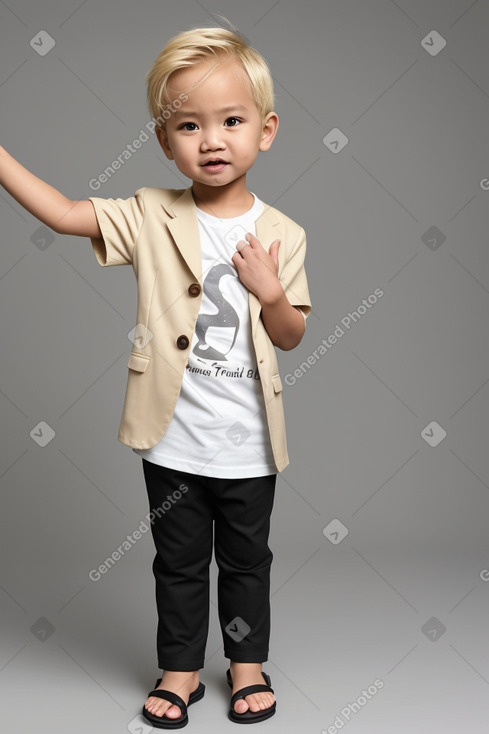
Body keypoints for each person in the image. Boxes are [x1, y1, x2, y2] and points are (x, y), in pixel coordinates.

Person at [0, 24, 311, 727]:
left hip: (249, 447)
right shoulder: (149, 214)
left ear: (264, 131)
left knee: (244, 563)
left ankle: (244, 666)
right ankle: (179, 670)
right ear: (164, 141)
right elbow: (64, 212)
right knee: (174, 565)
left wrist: (268, 292)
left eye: (230, 122)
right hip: (172, 441)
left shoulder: (284, 234)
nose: (211, 141)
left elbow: (291, 336)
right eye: (188, 126)